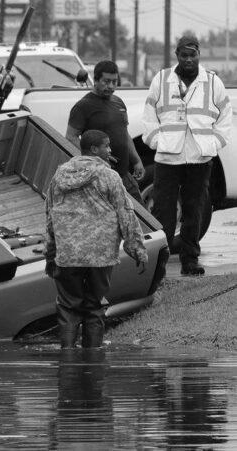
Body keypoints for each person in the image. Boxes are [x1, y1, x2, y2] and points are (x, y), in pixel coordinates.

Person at [45, 130, 148, 349]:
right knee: (94, 306)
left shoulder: (59, 175)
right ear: (94, 149)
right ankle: (92, 359)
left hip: (68, 254)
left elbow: (50, 216)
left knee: (68, 306)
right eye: (106, 146)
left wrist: (51, 254)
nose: (110, 150)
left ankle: (68, 359)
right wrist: (137, 249)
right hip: (100, 255)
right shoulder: (109, 176)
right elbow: (126, 214)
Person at [142, 35, 232, 276]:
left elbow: (226, 115)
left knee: (195, 210)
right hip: (167, 159)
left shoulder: (213, 82)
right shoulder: (161, 79)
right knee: (164, 213)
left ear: (199, 54)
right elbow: (149, 114)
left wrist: (214, 143)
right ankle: (158, 265)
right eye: (184, 55)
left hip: (199, 158)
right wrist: (155, 141)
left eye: (193, 55)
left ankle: (190, 261)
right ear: (177, 55)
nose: (189, 59)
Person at [66, 60, 145, 202]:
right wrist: (93, 161)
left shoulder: (119, 102)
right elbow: (71, 137)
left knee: (141, 219)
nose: (111, 86)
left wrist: (137, 160)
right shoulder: (82, 106)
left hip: (124, 175)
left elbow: (125, 134)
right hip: (99, 179)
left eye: (115, 82)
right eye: (106, 81)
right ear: (95, 80)